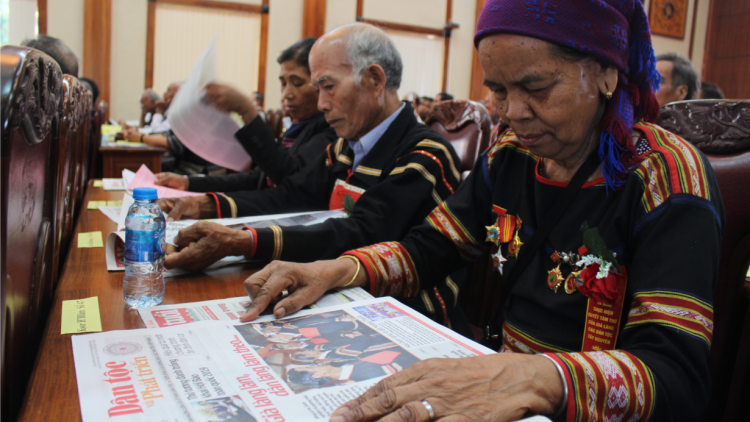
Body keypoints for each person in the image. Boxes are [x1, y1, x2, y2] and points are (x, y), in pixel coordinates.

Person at [238, 1, 724, 420]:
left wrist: (536, 379)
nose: (512, 112)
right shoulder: (511, 155)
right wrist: (337, 269)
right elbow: (429, 249)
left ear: (605, 72)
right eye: (498, 89)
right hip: (496, 385)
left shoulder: (664, 177)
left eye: (535, 88)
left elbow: (675, 372)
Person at [159, 24, 461, 325]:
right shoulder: (346, 146)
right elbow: (292, 195)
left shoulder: (426, 153)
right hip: (338, 294)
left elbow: (362, 233)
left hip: (408, 316)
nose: (321, 104)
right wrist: (207, 205)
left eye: (328, 87)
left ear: (375, 79)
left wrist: (244, 241)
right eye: (317, 90)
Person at [154, 38, 337, 193]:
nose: (287, 94)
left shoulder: (331, 128)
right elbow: (259, 178)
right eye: (283, 83)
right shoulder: (298, 126)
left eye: (297, 83)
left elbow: (287, 175)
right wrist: (188, 183)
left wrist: (247, 109)